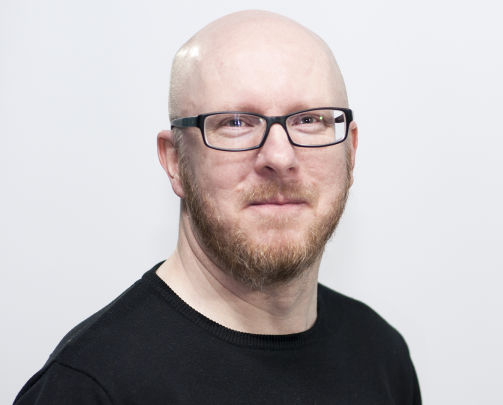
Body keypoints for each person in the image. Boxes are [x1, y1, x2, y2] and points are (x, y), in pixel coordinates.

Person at [14, 10, 421, 405]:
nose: (279, 157)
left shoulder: (381, 355)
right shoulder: (91, 386)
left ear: (351, 152)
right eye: (236, 123)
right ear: (175, 160)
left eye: (309, 120)